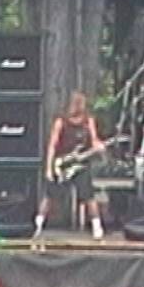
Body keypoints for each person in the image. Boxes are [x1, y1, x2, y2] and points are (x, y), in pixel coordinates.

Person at [34, 91, 107, 240]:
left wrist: (99, 147)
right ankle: (38, 225)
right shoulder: (61, 121)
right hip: (62, 164)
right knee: (50, 196)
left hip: (81, 165)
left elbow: (94, 140)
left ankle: (97, 227)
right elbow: (52, 145)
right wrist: (49, 168)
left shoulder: (88, 121)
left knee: (88, 196)